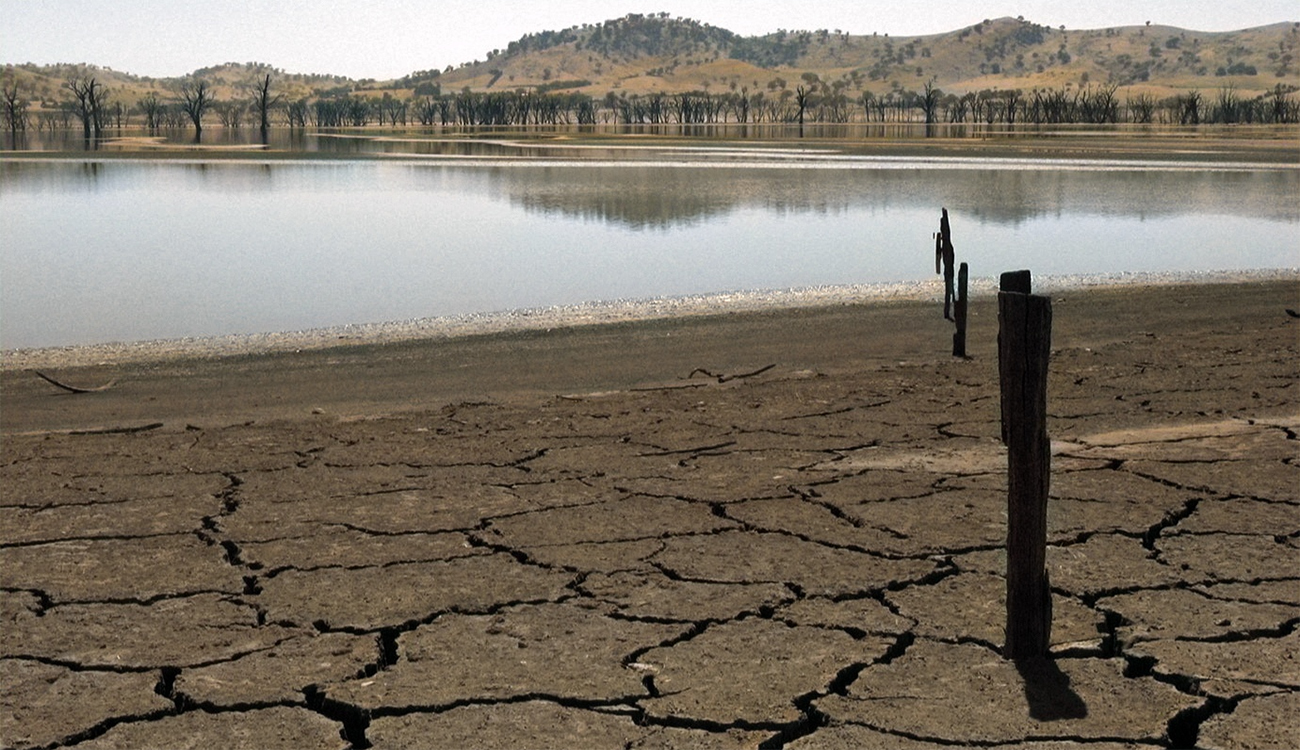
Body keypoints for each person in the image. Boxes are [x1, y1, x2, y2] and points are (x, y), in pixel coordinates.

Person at [936, 208, 956, 321]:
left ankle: (948, 311)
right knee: (949, 292)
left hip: (949, 271)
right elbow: (946, 231)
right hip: (949, 272)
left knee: (950, 292)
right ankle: (947, 312)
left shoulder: (945, 245)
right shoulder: (946, 246)